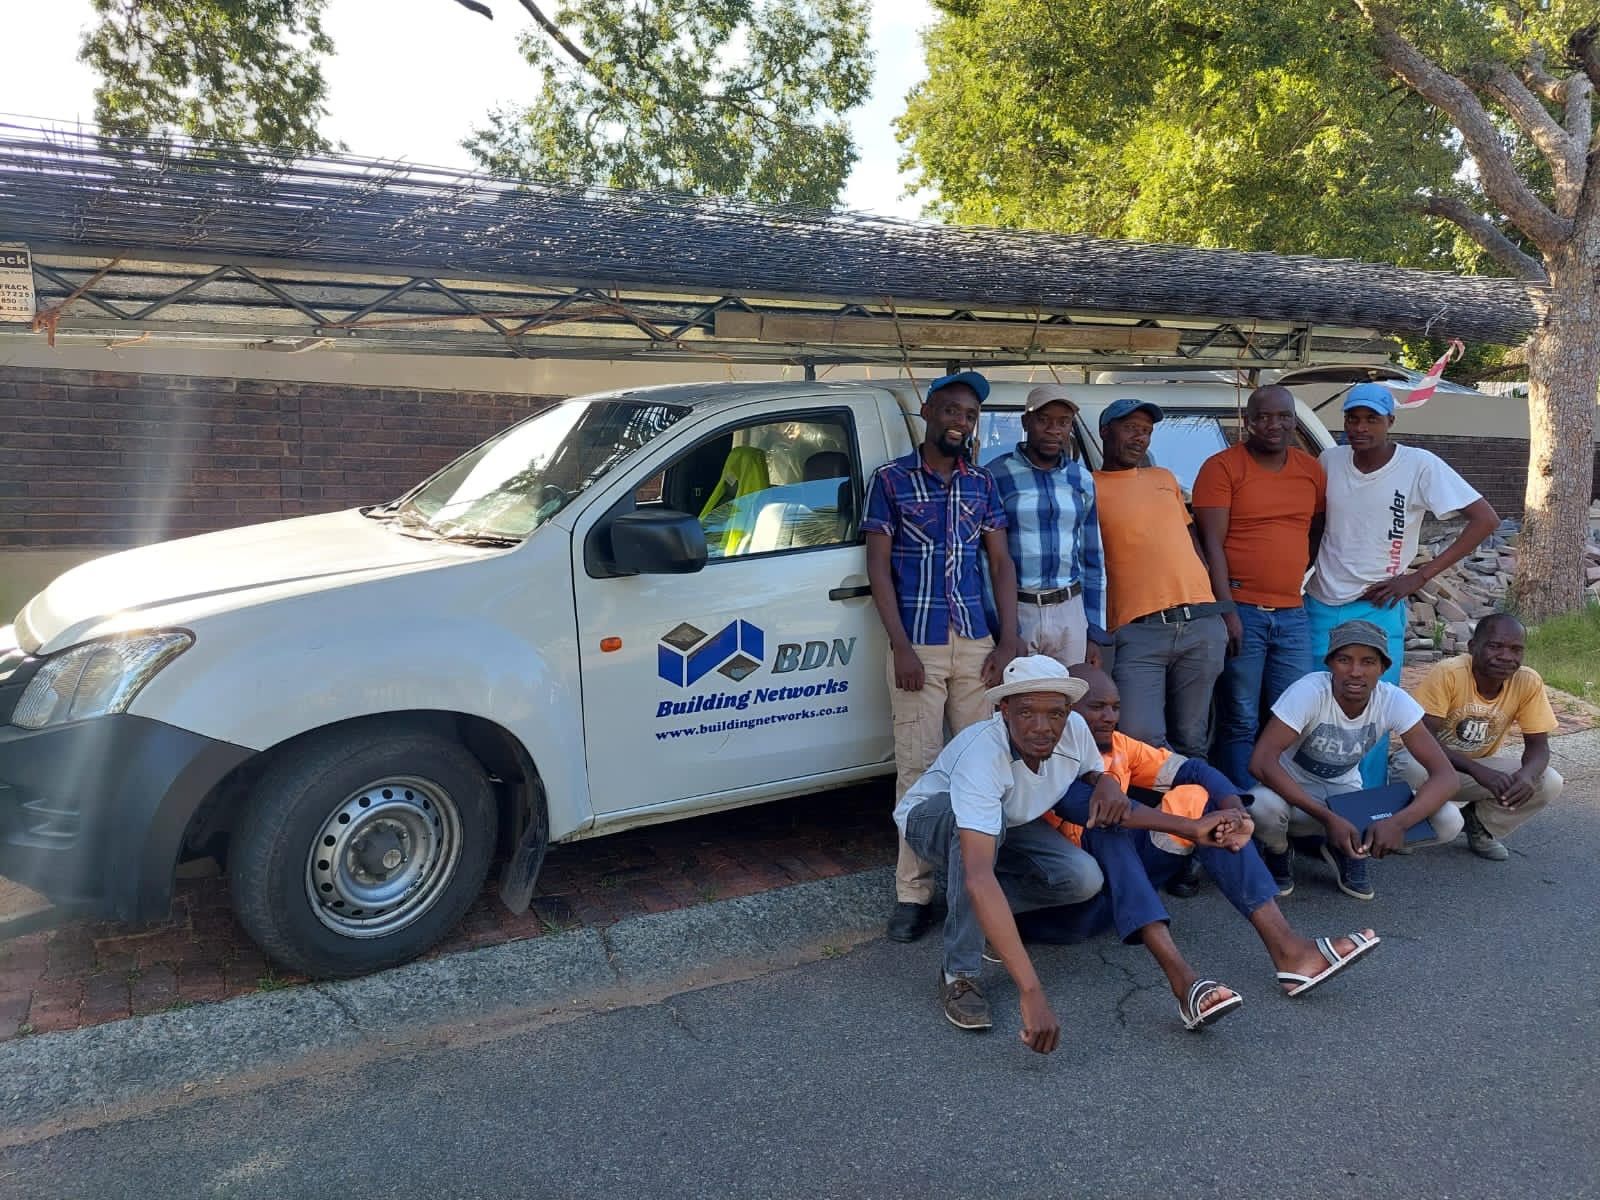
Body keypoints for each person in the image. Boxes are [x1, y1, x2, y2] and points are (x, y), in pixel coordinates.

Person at [1017, 666, 1380, 1029]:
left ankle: (1290, 951)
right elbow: (1100, 808)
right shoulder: (1046, 756)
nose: (1109, 717)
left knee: (1198, 797)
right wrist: (1193, 828)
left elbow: (1193, 770)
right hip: (1071, 910)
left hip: (1123, 890)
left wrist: (1233, 811)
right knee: (1108, 826)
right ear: (1065, 715)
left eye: (1115, 707)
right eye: (1096, 707)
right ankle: (1183, 982)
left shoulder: (1120, 746)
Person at [865, 370, 1022, 944]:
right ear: (929, 413)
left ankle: (979, 883)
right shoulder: (890, 480)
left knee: (981, 767)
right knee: (918, 768)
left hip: (977, 641)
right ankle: (914, 893)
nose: (961, 422)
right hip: (920, 646)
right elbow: (878, 567)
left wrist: (1008, 639)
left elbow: (1000, 564)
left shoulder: (981, 483)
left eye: (970, 415)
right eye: (952, 411)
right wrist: (901, 646)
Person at [894, 656, 1109, 1049]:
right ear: (1003, 710)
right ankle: (959, 974)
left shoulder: (1074, 728)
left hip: (1006, 820)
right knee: (975, 862)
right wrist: (1031, 990)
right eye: (1026, 712)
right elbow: (977, 873)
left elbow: (1093, 768)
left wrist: (1106, 781)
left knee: (1082, 878)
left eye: (1055, 714)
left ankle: (979, 913)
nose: (1042, 727)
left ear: (1068, 712)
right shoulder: (982, 756)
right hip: (932, 819)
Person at [1307, 381, 1499, 786]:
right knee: (1314, 706)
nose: (1361, 428)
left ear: (1390, 421)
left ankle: (1365, 806)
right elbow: (1317, 526)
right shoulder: (1329, 459)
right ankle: (1308, 808)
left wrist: (1419, 576)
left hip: (1377, 607)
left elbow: (1485, 519)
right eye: (1353, 418)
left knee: (1371, 711)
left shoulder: (1418, 465)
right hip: (1321, 602)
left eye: (1372, 419)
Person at [1248, 620, 1461, 901]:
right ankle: (1278, 849)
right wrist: (1327, 818)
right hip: (1293, 799)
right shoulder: (1310, 692)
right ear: (1330, 664)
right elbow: (1261, 763)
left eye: (1368, 662)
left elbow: (1446, 777)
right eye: (1344, 660)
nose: (1355, 672)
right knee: (1261, 806)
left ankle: (1350, 848)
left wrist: (1397, 823)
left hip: (1347, 798)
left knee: (1448, 820)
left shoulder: (1391, 699)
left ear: (1383, 668)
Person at [1193, 385, 1326, 788]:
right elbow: (1209, 543)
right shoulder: (1222, 467)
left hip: (1292, 612)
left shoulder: (1310, 469)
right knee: (1241, 715)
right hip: (1242, 610)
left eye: (1284, 417)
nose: (1274, 425)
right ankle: (1243, 808)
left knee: (1291, 715)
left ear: (1294, 421)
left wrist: (1295, 568)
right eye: (1264, 417)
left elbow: (1317, 529)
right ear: (1248, 422)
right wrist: (1226, 608)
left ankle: (1282, 805)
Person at [1092, 398, 1230, 758]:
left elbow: (1193, 543)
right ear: (1105, 431)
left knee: (1192, 736)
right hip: (1138, 629)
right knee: (1139, 737)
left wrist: (1223, 610)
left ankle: (1192, 810)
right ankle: (1152, 812)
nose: (1139, 438)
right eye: (1130, 428)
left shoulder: (1163, 478)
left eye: (1146, 431)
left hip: (1200, 622)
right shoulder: (1088, 485)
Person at [1395, 614, 1564, 860]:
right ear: (1473, 647)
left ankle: (1480, 824)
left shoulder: (1527, 681)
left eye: (1516, 649)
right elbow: (1423, 739)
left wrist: (1527, 776)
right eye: (1495, 646)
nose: (1506, 656)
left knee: (1548, 780)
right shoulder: (1449, 672)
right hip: (1432, 766)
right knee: (1410, 766)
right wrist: (1478, 771)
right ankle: (1403, 823)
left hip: (1473, 770)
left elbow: (1539, 747)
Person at [987, 385, 1107, 670]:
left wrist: (1093, 629)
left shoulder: (1081, 478)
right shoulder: (995, 475)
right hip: (1019, 608)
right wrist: (1003, 629)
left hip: (1070, 609)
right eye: (1044, 420)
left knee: (1069, 700)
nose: (1054, 430)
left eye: (1063, 422)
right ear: (1026, 422)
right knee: (1021, 701)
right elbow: (986, 559)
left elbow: (1093, 556)